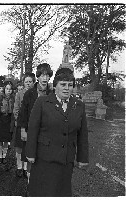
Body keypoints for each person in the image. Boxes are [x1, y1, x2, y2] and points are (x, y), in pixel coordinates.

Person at [25, 67, 89, 196]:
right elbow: (33, 128)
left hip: (66, 160)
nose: (67, 88)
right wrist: (30, 153)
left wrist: (83, 157)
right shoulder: (42, 102)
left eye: (70, 85)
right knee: (42, 192)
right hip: (44, 159)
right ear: (55, 86)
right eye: (63, 84)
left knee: (61, 192)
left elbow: (82, 134)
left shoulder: (79, 105)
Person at [19, 63, 53, 181]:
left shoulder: (52, 93)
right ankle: (30, 184)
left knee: (44, 158)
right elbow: (23, 113)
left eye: (47, 75)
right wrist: (23, 130)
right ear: (37, 77)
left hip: (47, 132)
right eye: (42, 75)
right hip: (31, 131)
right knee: (30, 157)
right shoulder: (30, 93)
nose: (44, 78)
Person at [13, 72, 35, 177]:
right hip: (21, 125)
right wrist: (20, 122)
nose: (28, 84)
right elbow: (16, 109)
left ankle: (27, 168)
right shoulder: (19, 94)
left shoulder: (36, 94)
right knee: (19, 148)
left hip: (32, 126)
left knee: (28, 148)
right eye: (26, 82)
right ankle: (19, 167)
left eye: (30, 82)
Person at [0, 81, 15, 164]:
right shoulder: (0, 98)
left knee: (6, 139)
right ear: (4, 89)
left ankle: (4, 156)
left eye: (10, 89)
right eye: (7, 89)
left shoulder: (13, 99)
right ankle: (0, 155)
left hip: (9, 120)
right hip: (0, 119)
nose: (8, 91)